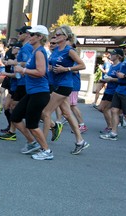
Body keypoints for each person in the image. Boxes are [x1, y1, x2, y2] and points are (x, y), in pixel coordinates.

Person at [42, 25, 89, 155]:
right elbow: (52, 64)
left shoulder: (69, 51)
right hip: (55, 84)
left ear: (65, 37)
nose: (55, 37)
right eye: (54, 35)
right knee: (67, 114)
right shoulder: (56, 49)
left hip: (64, 85)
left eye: (57, 35)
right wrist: (50, 68)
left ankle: (43, 147)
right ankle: (80, 141)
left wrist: (66, 69)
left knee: (46, 112)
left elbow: (82, 65)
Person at [11, 25, 53, 160]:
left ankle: (47, 151)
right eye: (29, 34)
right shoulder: (35, 52)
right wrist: (21, 66)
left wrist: (22, 71)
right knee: (16, 117)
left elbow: (41, 72)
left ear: (40, 37)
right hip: (33, 92)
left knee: (32, 124)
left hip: (40, 93)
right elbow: (36, 68)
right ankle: (32, 143)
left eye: (32, 34)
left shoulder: (40, 52)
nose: (29, 36)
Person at [97, 48, 123, 134]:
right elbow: (108, 77)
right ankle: (114, 123)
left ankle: (111, 127)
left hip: (114, 91)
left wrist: (111, 79)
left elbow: (122, 80)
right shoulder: (112, 66)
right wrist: (103, 80)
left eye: (113, 54)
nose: (111, 55)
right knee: (101, 108)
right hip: (108, 90)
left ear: (118, 56)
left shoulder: (121, 66)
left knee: (105, 109)